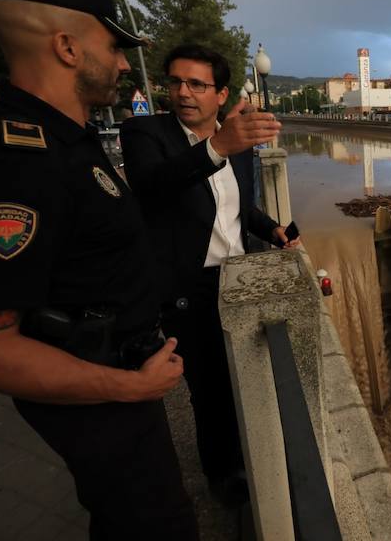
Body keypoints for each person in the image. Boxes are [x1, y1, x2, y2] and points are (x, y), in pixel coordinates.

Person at [0, 0, 198, 540]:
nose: (121, 63)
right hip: (101, 396)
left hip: (120, 382)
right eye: (112, 47)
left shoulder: (68, 138)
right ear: (67, 46)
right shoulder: (14, 164)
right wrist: (128, 387)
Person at [120, 44, 294, 505]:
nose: (183, 92)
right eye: (175, 82)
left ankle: (260, 454)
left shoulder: (231, 142)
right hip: (187, 288)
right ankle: (225, 477)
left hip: (239, 277)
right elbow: (154, 185)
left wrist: (271, 228)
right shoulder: (145, 133)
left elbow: (235, 207)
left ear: (220, 94)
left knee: (253, 375)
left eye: (197, 84)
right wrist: (218, 147)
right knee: (210, 389)